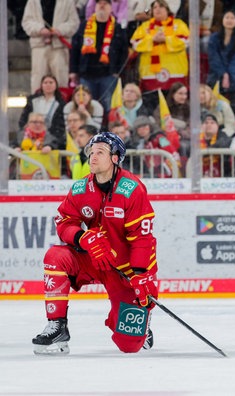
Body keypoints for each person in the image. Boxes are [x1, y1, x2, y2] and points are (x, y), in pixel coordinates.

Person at [31, 131, 159, 355]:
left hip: (125, 270)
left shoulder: (132, 189)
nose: (93, 156)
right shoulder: (81, 188)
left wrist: (140, 274)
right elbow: (64, 222)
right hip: (94, 260)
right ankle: (57, 326)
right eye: (91, 151)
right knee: (55, 257)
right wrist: (82, 237)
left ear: (115, 158)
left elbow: (142, 238)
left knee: (130, 345)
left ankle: (137, 322)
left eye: (100, 152)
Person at [69, 0, 129, 113]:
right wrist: (73, 70)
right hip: (86, 74)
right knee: (86, 106)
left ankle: (106, 130)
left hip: (108, 74)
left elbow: (123, 52)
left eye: (105, 4)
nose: (102, 6)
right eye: (99, 3)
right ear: (94, 7)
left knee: (108, 106)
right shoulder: (84, 26)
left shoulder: (117, 28)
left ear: (111, 8)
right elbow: (75, 49)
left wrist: (118, 71)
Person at [130, 0, 189, 92]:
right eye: (155, 7)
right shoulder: (145, 26)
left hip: (175, 72)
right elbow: (135, 43)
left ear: (167, 10)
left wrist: (166, 39)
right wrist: (152, 39)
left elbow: (185, 41)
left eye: (161, 6)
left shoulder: (179, 24)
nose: (158, 9)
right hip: (150, 74)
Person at [21, 0, 80, 91]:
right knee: (38, 79)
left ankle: (61, 103)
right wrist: (40, 29)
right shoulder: (33, 1)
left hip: (59, 47)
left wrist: (60, 30)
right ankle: (37, 103)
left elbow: (74, 23)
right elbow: (26, 22)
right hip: (39, 46)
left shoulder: (67, 2)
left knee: (61, 79)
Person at [207, 9, 235, 121]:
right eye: (227, 17)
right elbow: (213, 58)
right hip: (216, 75)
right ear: (222, 20)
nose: (229, 20)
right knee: (214, 109)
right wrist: (223, 74)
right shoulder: (214, 38)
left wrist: (229, 75)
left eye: (232, 18)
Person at [19, 75, 67, 150]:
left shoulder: (61, 104)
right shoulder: (33, 100)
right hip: (31, 135)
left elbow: (61, 125)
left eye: (51, 82)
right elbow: (23, 119)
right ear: (41, 85)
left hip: (51, 136)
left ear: (56, 85)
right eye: (45, 82)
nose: (48, 85)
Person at [199, 112, 233, 177]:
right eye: (206, 123)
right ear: (201, 126)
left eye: (212, 123)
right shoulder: (197, 139)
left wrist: (207, 152)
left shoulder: (222, 136)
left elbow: (224, 144)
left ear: (217, 126)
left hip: (222, 174)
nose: (209, 125)